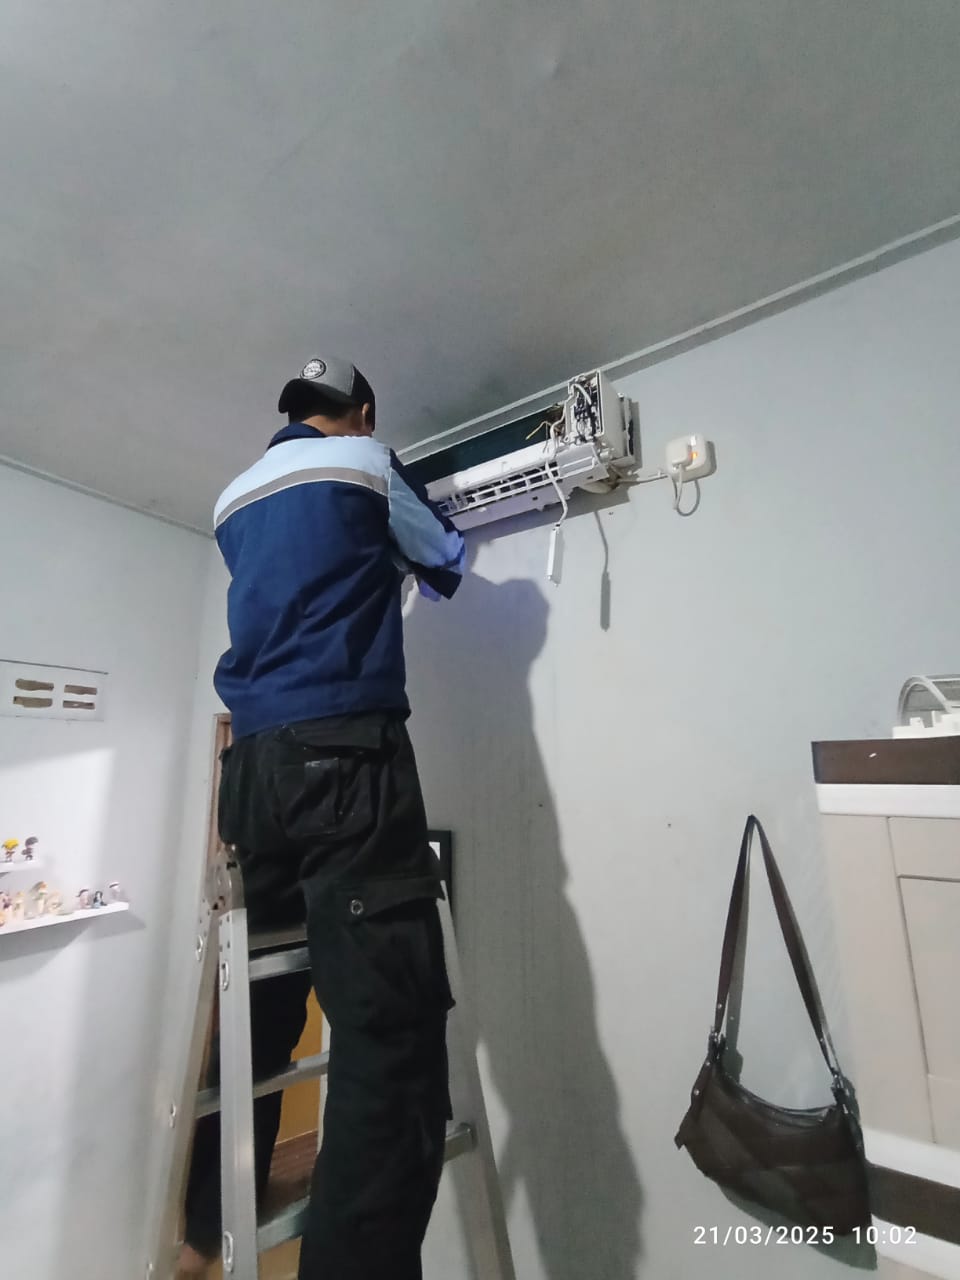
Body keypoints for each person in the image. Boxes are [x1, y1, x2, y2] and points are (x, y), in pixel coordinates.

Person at [178, 356, 465, 1280]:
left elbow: (294, 585)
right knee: (387, 1027)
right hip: (344, 757)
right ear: (363, 412)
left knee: (261, 1009)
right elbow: (446, 560)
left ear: (293, 413)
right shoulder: (370, 461)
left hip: (251, 772)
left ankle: (202, 1225)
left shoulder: (231, 499)